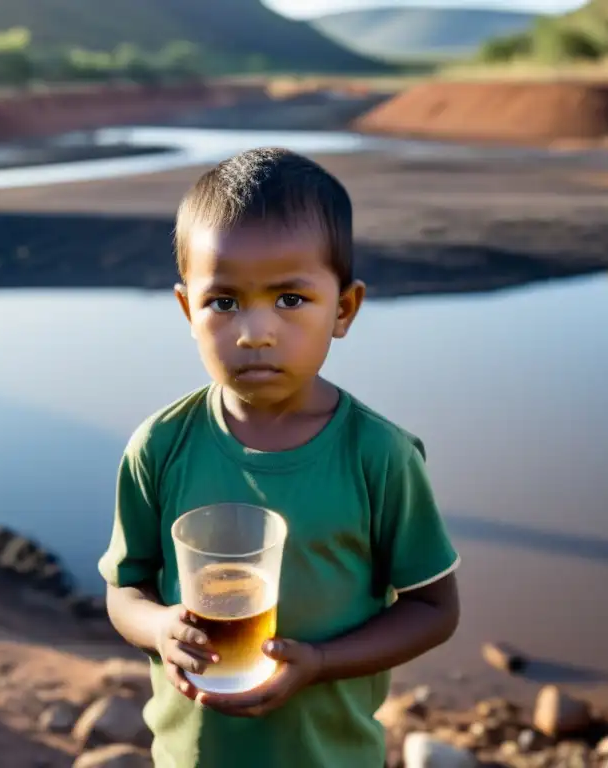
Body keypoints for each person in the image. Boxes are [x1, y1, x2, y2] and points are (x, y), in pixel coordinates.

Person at [97, 147, 461, 768]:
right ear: (189, 310)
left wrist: (320, 664)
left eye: (290, 300)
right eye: (224, 302)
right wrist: (159, 630)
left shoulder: (379, 456)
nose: (255, 332)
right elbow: (124, 591)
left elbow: (433, 609)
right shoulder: (159, 446)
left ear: (343, 309)